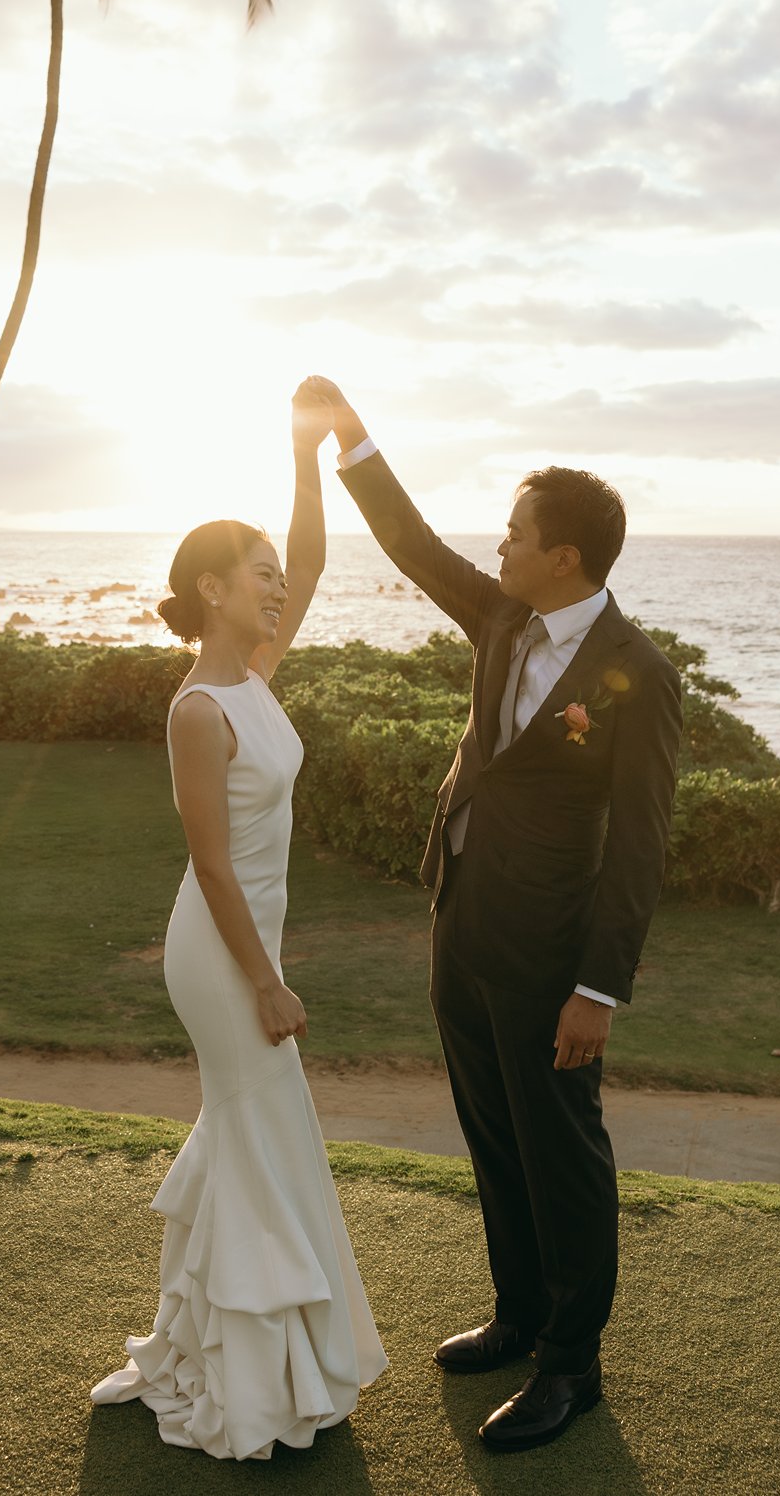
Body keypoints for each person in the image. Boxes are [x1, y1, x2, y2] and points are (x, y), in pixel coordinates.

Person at [308, 375, 683, 1454]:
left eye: (515, 532)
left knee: (561, 1153)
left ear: (565, 554)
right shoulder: (503, 616)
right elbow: (414, 547)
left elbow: (642, 844)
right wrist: (352, 437)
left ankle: (573, 1366)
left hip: (554, 955)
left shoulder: (638, 675)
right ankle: (518, 1317)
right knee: (491, 1136)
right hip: (463, 922)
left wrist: (598, 987)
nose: (500, 544)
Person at [90, 381, 387, 1461]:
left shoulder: (257, 674)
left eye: (272, 577)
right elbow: (211, 867)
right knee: (263, 1136)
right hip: (219, 957)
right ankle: (250, 1380)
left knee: (247, 1140)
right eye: (254, 576)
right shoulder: (199, 708)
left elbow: (307, 562)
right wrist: (265, 980)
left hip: (249, 945)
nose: (277, 589)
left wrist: (303, 454)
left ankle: (190, 1344)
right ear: (211, 591)